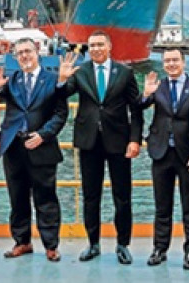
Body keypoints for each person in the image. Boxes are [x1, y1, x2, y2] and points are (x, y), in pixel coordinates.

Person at [56, 31, 143, 265]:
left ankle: (123, 244)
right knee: (90, 195)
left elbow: (136, 110)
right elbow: (62, 94)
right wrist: (62, 79)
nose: (95, 49)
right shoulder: (80, 72)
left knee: (122, 196)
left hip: (119, 142)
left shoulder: (125, 73)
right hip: (89, 142)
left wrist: (135, 139)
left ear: (109, 46)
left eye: (99, 45)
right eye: (91, 45)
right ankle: (92, 242)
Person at [0, 37, 68, 262]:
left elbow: (60, 114)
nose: (24, 56)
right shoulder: (11, 80)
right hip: (14, 146)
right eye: (20, 53)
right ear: (16, 58)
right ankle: (22, 242)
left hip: (41, 146)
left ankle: (51, 245)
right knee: (17, 197)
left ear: (38, 53)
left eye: (28, 51)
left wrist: (43, 135)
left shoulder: (53, 80)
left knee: (46, 197)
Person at [141, 48, 189, 269]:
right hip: (161, 153)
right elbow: (137, 107)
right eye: (167, 61)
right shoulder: (157, 86)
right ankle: (159, 248)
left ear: (183, 62)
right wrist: (145, 95)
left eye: (175, 60)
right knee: (162, 205)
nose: (171, 64)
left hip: (187, 154)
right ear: (163, 64)